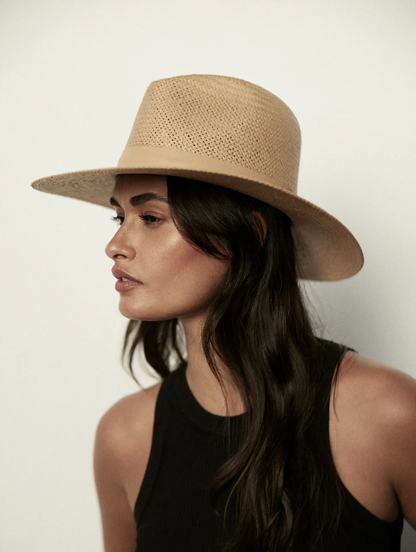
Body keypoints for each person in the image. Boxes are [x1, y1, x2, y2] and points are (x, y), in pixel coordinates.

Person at [31, 74, 416, 552]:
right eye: (119, 216)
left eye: (150, 218)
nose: (115, 244)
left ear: (250, 234)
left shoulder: (386, 414)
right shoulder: (126, 438)